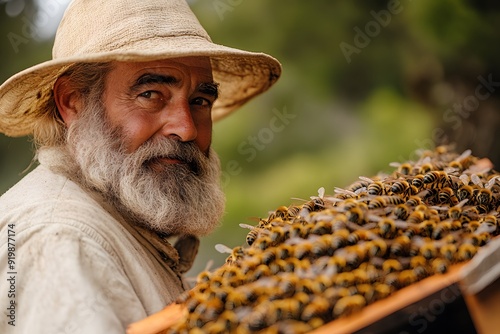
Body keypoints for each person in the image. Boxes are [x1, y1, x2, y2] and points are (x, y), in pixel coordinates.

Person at [0, 0, 281, 332]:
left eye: (200, 101)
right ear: (72, 102)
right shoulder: (60, 242)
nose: (187, 128)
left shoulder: (114, 218)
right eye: (151, 94)